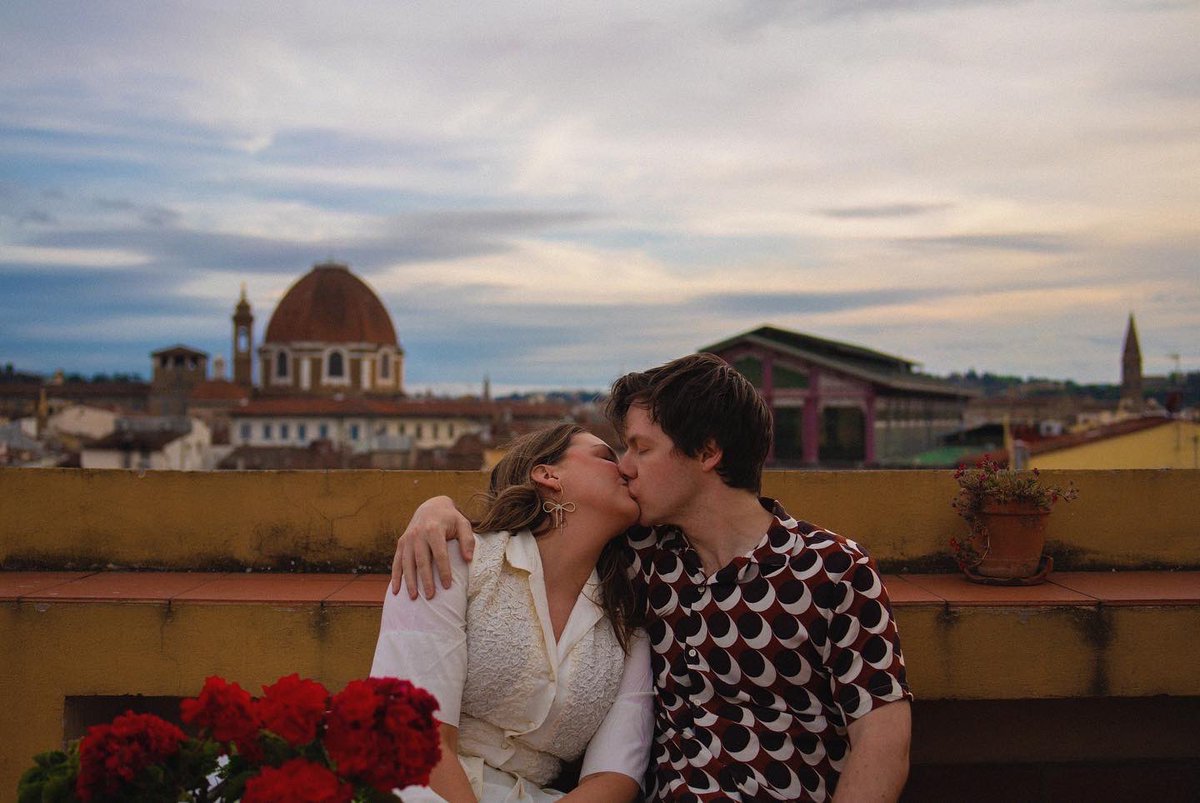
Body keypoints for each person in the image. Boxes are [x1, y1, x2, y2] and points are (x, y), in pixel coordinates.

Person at [392, 354, 912, 802]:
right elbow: (541, 535)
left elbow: (883, 743)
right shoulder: (644, 563)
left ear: (707, 453)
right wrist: (433, 510)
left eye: (640, 448)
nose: (626, 466)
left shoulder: (832, 568)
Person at [372, 423, 653, 802]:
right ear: (547, 474)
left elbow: (614, 776)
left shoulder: (627, 621)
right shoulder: (453, 560)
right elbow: (415, 733)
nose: (626, 469)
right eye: (606, 456)